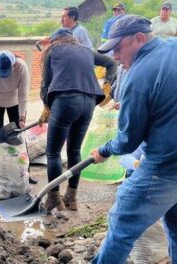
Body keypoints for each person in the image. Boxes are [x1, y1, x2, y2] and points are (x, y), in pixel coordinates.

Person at [91, 15, 177, 264]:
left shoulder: (138, 75)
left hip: (163, 169)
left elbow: (128, 140)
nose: (116, 56)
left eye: (119, 48)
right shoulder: (172, 47)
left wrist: (104, 150)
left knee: (121, 226)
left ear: (139, 38)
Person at [39, 28, 117, 212]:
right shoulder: (85, 50)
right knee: (74, 151)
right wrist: (108, 85)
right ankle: (71, 197)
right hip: (88, 103)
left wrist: (46, 107)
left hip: (65, 101)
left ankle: (53, 198)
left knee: (53, 153)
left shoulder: (53, 50)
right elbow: (112, 63)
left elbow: (46, 83)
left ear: (55, 40)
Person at [0, 50, 29, 138]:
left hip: (14, 102)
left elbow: (23, 95)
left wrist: (22, 118)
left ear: (13, 65)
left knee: (17, 135)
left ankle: (17, 152)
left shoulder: (21, 67)